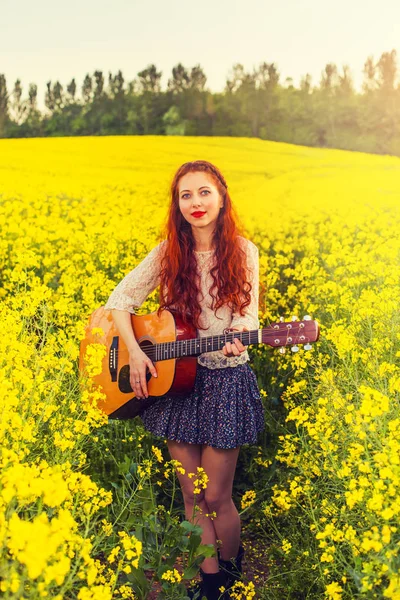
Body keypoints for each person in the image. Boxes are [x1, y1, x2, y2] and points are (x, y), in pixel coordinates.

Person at [104, 160, 265, 600]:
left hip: (225, 381)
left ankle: (231, 573)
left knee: (216, 496)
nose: (196, 203)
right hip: (176, 384)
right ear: (177, 205)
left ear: (222, 196)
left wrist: (239, 338)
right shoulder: (167, 252)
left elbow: (248, 318)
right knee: (191, 498)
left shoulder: (244, 251)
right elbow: (120, 301)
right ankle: (209, 584)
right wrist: (135, 353)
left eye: (204, 192)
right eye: (186, 195)